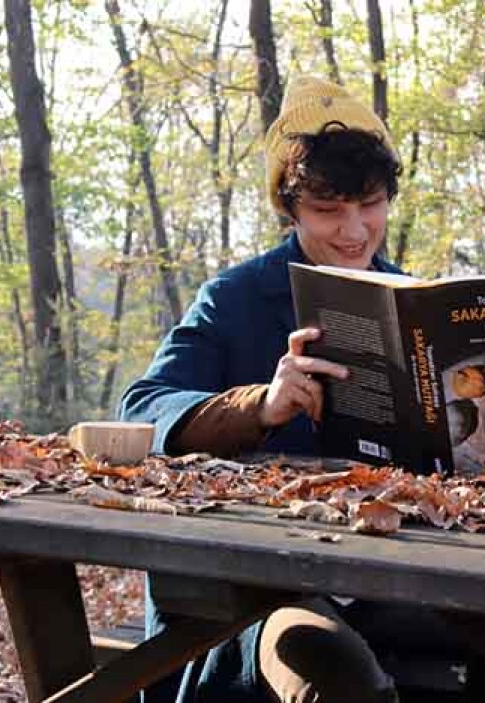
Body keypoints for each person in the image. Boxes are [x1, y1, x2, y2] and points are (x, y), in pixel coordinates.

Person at [120, 76, 411, 703]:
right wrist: (261, 404)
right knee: (327, 664)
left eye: (371, 204)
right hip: (250, 589)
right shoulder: (236, 297)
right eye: (329, 210)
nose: (355, 230)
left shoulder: (414, 302)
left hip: (396, 574)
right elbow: (142, 408)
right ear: (291, 207)